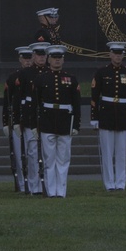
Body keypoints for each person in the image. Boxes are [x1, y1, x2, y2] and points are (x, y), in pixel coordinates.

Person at [90, 42, 126, 191]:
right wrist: (94, 117)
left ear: (123, 55)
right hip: (106, 114)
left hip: (123, 114)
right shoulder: (101, 73)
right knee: (107, 152)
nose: (118, 57)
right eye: (115, 54)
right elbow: (94, 96)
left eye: (120, 54)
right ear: (110, 54)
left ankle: (120, 183)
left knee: (121, 153)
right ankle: (109, 183)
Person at [35, 45, 81, 197]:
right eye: (54, 58)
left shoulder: (71, 79)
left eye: (59, 58)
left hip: (65, 121)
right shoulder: (41, 78)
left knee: (63, 159)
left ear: (63, 59)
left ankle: (61, 191)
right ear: (48, 59)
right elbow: (35, 104)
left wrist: (76, 125)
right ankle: (51, 190)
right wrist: (36, 125)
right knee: (49, 159)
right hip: (47, 121)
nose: (56, 61)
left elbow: (76, 104)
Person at [13, 42, 50, 195]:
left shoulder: (50, 72)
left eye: (43, 55)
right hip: (29, 118)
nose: (41, 58)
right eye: (38, 55)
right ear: (33, 55)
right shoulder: (25, 74)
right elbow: (17, 99)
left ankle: (47, 183)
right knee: (32, 152)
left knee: (48, 153)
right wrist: (16, 120)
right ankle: (34, 185)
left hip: (47, 117)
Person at [2, 46, 34, 192]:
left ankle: (32, 181)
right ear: (20, 60)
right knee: (19, 152)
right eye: (25, 59)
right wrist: (5, 122)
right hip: (16, 119)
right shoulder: (12, 78)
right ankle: (21, 182)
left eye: (29, 59)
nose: (27, 62)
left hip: (30, 117)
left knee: (31, 152)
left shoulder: (37, 76)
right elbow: (7, 102)